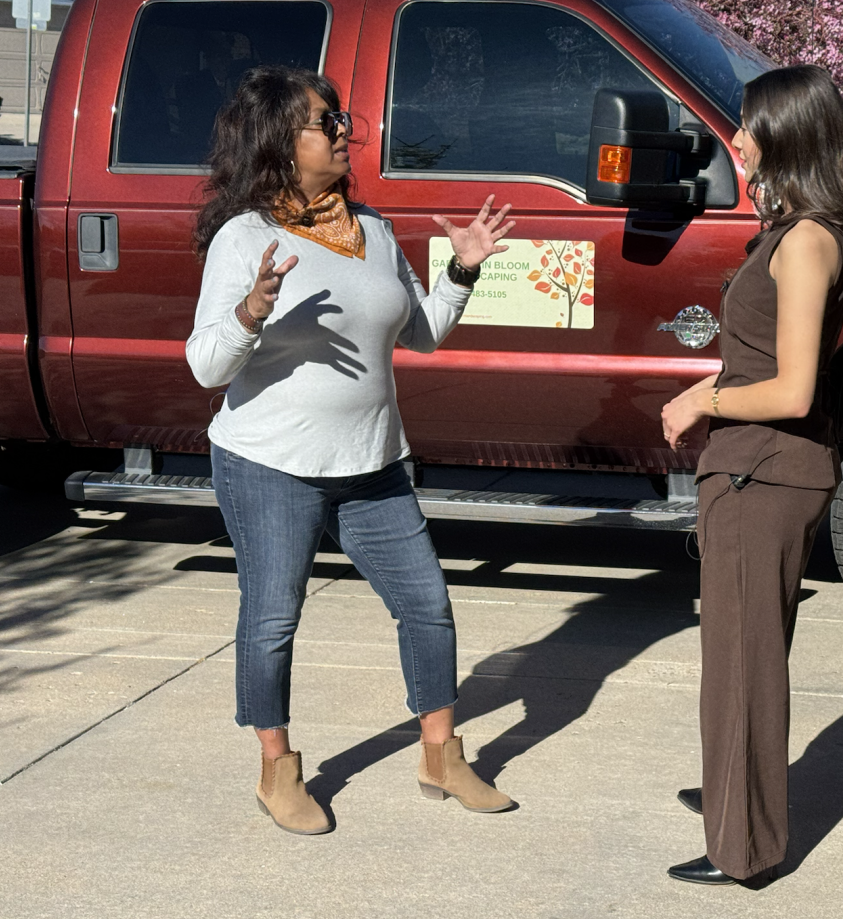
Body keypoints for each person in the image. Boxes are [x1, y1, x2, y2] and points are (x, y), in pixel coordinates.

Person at [186, 65, 517, 834]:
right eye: (325, 121)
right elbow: (206, 364)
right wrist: (250, 311)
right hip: (270, 464)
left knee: (427, 606)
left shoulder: (372, 230)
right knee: (272, 619)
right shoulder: (246, 237)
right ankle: (277, 767)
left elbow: (424, 333)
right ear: (279, 141)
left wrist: (463, 269)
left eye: (342, 119)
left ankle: (441, 755)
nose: (343, 132)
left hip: (373, 463)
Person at [659, 65, 843, 885]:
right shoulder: (800, 229)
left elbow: (791, 390)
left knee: (744, 664)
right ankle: (733, 788)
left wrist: (702, 396)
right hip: (758, 470)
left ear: (787, 135)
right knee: (740, 653)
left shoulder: (807, 240)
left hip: (764, 472)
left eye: (749, 127)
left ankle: (744, 845)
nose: (738, 141)